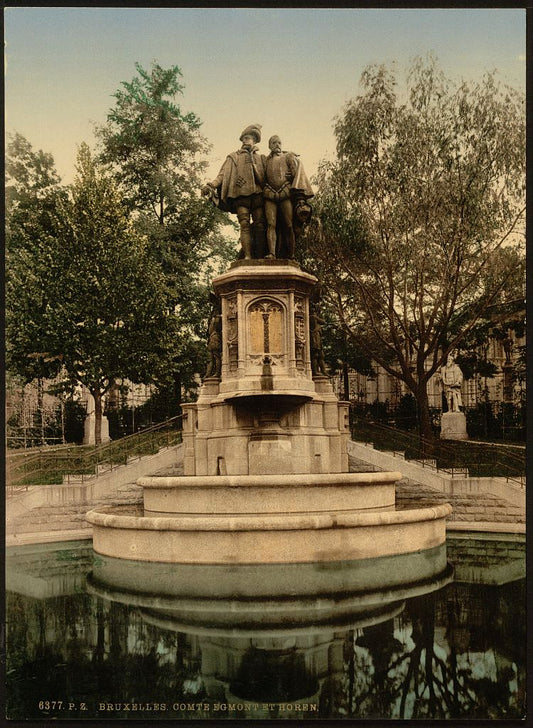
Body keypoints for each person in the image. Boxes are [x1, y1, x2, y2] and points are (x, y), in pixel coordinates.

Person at [202, 124, 266, 259]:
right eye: (243, 138)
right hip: (240, 195)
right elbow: (222, 175)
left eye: (248, 138)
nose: (244, 141)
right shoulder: (233, 157)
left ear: (254, 140)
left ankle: (260, 256)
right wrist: (211, 185)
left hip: (258, 195)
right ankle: (247, 256)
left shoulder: (261, 158)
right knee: (244, 224)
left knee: (260, 225)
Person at [262, 135, 314, 258]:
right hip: (269, 195)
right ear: (269, 146)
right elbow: (261, 177)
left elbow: (297, 175)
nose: (277, 145)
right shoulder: (265, 161)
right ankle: (272, 253)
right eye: (274, 143)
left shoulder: (288, 157)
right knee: (271, 224)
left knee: (289, 224)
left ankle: (291, 254)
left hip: (285, 194)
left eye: (279, 142)